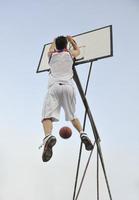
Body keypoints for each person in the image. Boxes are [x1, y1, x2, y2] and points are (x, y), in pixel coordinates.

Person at [40, 35, 93, 162]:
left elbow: (50, 49)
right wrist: (71, 41)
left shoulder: (51, 55)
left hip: (54, 88)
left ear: (56, 46)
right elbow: (78, 51)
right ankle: (82, 133)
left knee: (46, 117)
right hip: (69, 87)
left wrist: (53, 41)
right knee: (72, 116)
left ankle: (48, 137)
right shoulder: (70, 54)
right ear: (65, 46)